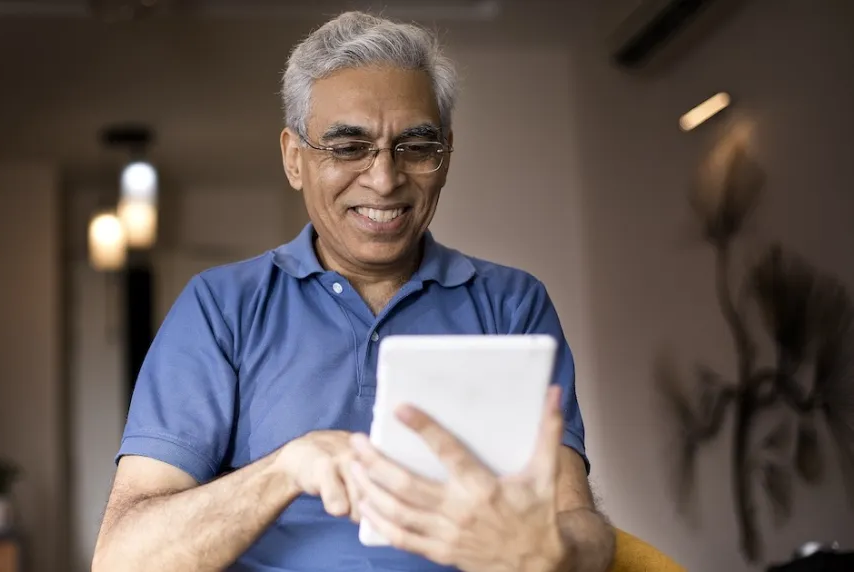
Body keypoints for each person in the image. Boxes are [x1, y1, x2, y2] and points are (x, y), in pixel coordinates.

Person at [93, 10, 615, 572]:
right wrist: (287, 468)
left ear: (445, 156)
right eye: (348, 147)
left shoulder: (511, 304)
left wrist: (558, 552)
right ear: (295, 159)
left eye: (415, 147)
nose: (384, 179)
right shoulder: (220, 308)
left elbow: (577, 519)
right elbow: (124, 558)